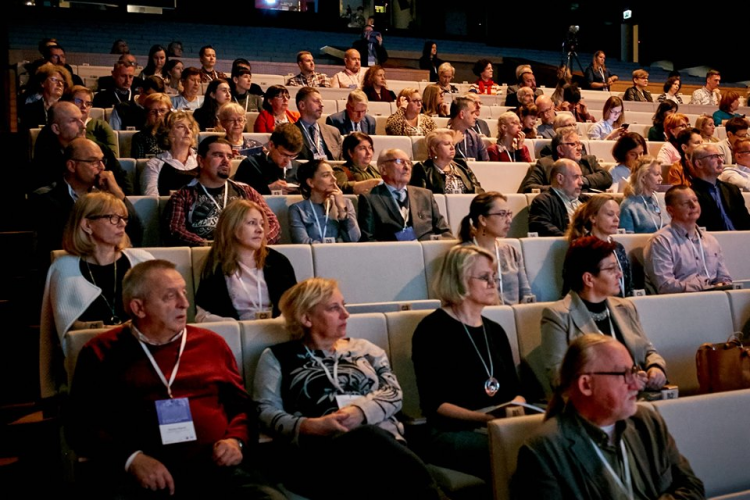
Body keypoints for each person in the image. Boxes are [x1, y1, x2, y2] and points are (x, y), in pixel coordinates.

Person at [67, 260, 285, 500]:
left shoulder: (211, 344)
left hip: (217, 469)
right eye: (170, 296)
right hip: (144, 477)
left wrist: (236, 440)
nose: (184, 303)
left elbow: (241, 408)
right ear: (139, 308)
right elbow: (80, 425)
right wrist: (131, 459)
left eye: (183, 292)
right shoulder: (101, 352)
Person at [253, 278, 441, 500]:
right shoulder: (277, 357)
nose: (346, 314)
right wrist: (310, 426)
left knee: (372, 442)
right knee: (371, 441)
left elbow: (393, 392)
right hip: (323, 454)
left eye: (344, 305)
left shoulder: (366, 349)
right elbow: (264, 410)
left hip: (385, 446)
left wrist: (360, 413)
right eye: (334, 308)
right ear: (306, 318)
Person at [512, 334, 704, 499]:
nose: (637, 386)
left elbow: (693, 489)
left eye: (635, 373)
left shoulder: (648, 422)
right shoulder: (543, 452)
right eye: (624, 375)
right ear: (586, 384)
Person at [412, 245, 524, 482]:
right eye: (484, 277)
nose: (493, 283)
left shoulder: (495, 330)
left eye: (493, 277)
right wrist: (487, 420)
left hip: (497, 425)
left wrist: (516, 408)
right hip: (452, 432)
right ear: (459, 280)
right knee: (517, 451)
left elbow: (516, 391)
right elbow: (436, 404)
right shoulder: (432, 330)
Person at [39, 191, 153, 397]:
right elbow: (62, 333)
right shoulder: (63, 268)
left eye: (123, 218)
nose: (122, 224)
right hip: (91, 361)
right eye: (112, 218)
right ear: (87, 225)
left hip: (144, 355)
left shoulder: (142, 261)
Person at [542, 236, 664, 391]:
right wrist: (621, 380)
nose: (620, 274)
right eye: (611, 269)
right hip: (595, 406)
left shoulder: (625, 307)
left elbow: (648, 351)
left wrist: (655, 367)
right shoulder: (558, 315)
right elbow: (559, 377)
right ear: (588, 279)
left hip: (639, 393)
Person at [31, 138, 142, 269]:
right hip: (67, 266)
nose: (102, 167)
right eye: (93, 162)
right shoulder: (45, 198)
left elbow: (136, 231)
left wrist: (117, 195)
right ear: (71, 165)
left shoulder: (106, 196)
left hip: (109, 264)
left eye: (102, 161)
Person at [162, 136, 280, 246]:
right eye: (218, 155)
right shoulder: (183, 196)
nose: (225, 161)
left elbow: (273, 225)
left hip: (246, 253)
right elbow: (175, 230)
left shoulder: (246, 191)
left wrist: (254, 244)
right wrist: (211, 246)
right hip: (204, 256)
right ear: (201, 161)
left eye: (229, 156)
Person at [196, 200, 296, 322]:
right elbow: (202, 315)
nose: (260, 230)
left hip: (276, 331)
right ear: (232, 227)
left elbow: (295, 306)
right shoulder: (215, 264)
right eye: (252, 223)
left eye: (262, 224)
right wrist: (235, 328)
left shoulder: (277, 261)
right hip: (234, 337)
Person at [644, 185, 732, 294]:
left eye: (695, 200)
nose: (693, 205)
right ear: (670, 210)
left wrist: (723, 284)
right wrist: (705, 287)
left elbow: (724, 278)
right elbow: (665, 286)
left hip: (715, 300)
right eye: (685, 203)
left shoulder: (711, 240)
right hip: (681, 303)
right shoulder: (661, 241)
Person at [32, 102, 132, 194]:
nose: (83, 126)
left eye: (82, 119)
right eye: (73, 121)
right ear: (56, 128)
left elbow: (126, 188)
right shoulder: (45, 157)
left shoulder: (100, 149)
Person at [357, 148, 453, 241]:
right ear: (383, 169)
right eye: (400, 162)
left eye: (408, 163)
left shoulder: (425, 195)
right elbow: (368, 239)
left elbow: (444, 232)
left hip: (428, 253)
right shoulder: (370, 198)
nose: (407, 167)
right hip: (393, 254)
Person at [459, 192, 532, 305]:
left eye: (509, 214)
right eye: (502, 214)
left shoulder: (512, 252)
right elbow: (460, 298)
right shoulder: (463, 254)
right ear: (483, 219)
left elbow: (526, 295)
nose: (509, 220)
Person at [565, 196, 634, 297]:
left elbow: (628, 287)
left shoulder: (618, 247)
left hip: (619, 307)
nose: (616, 219)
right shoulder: (581, 249)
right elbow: (574, 289)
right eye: (610, 214)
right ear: (593, 217)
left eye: (618, 215)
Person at [519, 126, 612, 193]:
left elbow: (606, 178)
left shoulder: (588, 160)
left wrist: (581, 181)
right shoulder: (545, 164)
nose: (579, 148)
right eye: (573, 144)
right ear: (560, 149)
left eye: (579, 144)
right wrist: (560, 188)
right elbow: (529, 187)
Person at [289, 160, 361, 244]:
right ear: (311, 182)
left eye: (333, 174)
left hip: (343, 255)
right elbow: (302, 242)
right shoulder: (297, 209)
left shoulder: (346, 203)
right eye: (326, 175)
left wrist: (341, 209)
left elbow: (354, 239)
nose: (334, 179)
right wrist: (330, 247)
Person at [689, 143, 750, 231]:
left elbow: (746, 222)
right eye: (714, 157)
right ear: (699, 163)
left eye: (720, 156)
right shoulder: (691, 195)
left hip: (741, 240)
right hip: (713, 241)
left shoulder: (731, 189)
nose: (721, 161)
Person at [234, 122, 303, 195]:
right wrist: (268, 189)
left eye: (292, 156)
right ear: (271, 145)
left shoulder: (299, 168)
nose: (287, 161)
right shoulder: (250, 165)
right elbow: (238, 196)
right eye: (284, 154)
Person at [141, 110, 199, 196]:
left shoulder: (202, 161)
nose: (188, 131)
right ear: (167, 133)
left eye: (190, 128)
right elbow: (151, 200)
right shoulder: (155, 164)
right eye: (181, 127)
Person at [410, 129, 484, 195]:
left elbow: (478, 191)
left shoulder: (462, 165)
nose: (452, 147)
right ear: (434, 149)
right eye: (447, 144)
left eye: (452, 144)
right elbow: (420, 198)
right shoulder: (422, 169)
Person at [528, 159, 585, 236]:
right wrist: (573, 240)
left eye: (581, 177)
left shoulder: (587, 200)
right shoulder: (543, 201)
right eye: (576, 177)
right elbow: (542, 227)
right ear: (560, 179)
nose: (581, 182)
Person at [620, 156, 670, 233]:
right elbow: (626, 239)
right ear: (643, 177)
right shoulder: (628, 205)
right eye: (657, 174)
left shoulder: (662, 199)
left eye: (660, 174)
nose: (661, 178)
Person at [65, 85, 118, 155]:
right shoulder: (61, 124)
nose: (84, 106)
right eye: (79, 101)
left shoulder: (101, 126)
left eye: (88, 103)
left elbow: (113, 156)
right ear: (68, 102)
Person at [294, 87, 343, 161]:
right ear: (302, 105)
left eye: (321, 101)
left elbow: (341, 162)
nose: (322, 105)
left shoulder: (333, 132)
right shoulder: (289, 133)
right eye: (316, 101)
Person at [21, 62, 72, 131]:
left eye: (62, 82)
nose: (60, 84)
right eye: (54, 80)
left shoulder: (69, 110)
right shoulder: (29, 110)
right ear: (42, 83)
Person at [130, 92, 171, 159]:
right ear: (147, 114)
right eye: (153, 111)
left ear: (169, 112)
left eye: (162, 110)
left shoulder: (176, 134)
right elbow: (140, 164)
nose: (158, 114)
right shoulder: (139, 137)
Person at [449, 96, 489, 161]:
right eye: (472, 113)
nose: (475, 117)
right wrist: (453, 143)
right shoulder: (441, 136)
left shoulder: (475, 138)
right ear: (462, 114)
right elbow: (439, 162)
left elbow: (486, 163)